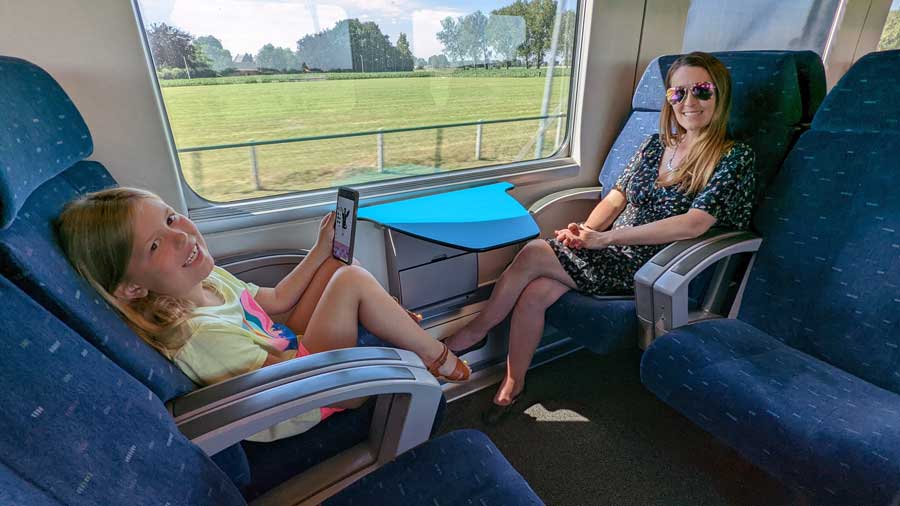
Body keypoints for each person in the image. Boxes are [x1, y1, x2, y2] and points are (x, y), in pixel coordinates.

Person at [444, 51, 757, 424]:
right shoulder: (656, 145)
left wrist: (605, 240)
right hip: (614, 248)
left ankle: (475, 332)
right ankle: (512, 386)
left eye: (701, 91)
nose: (688, 102)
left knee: (532, 252)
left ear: (719, 96)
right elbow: (616, 197)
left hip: (657, 266)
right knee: (534, 293)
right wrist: (587, 232)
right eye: (678, 93)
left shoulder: (734, 156)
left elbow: (694, 224)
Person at [57, 187, 469, 440]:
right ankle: (435, 355)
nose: (182, 235)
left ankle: (392, 319)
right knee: (350, 284)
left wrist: (321, 249)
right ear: (132, 287)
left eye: (170, 217)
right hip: (311, 396)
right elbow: (285, 382)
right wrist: (352, 320)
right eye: (154, 245)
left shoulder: (209, 279)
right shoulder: (197, 337)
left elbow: (273, 302)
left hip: (292, 355)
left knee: (339, 267)